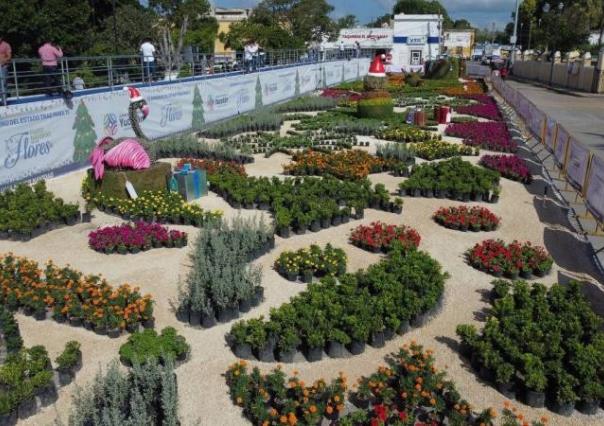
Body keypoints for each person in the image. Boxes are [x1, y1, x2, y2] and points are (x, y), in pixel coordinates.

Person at [0, 36, 11, 104]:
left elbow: (9, 56)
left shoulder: (6, 45)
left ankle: (4, 101)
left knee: (3, 83)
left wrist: (3, 61)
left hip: (3, 67)